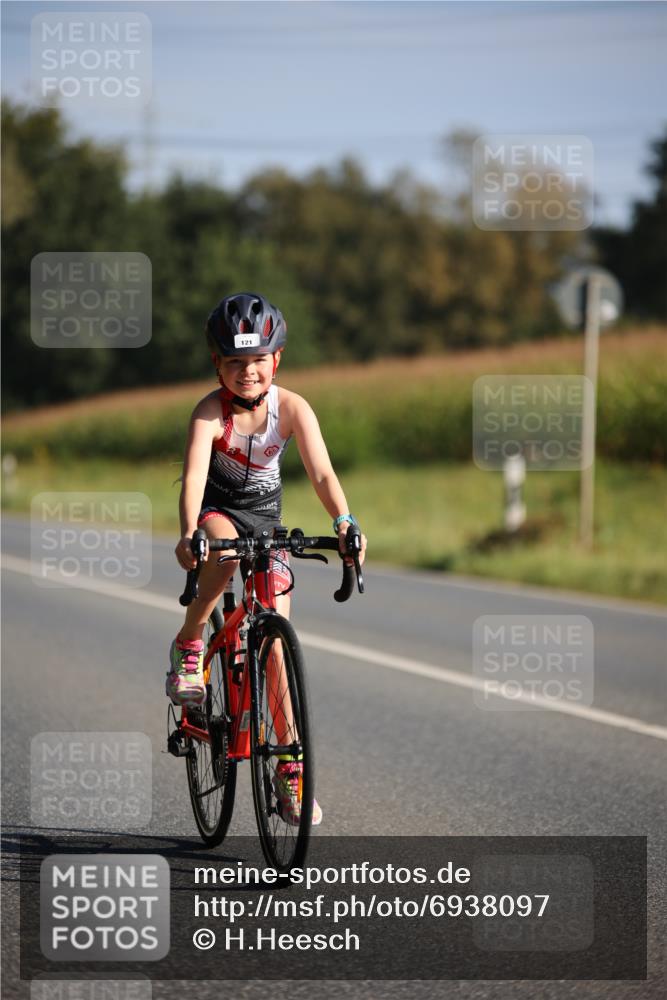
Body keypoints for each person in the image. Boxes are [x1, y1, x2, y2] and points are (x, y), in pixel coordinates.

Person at [166, 291, 366, 826]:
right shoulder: (210, 412)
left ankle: (290, 770)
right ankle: (190, 640)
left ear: (275, 360)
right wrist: (190, 533)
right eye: (234, 362)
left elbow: (323, 474)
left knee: (276, 647)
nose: (247, 372)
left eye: (257, 361)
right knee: (223, 555)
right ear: (217, 364)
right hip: (218, 511)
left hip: (267, 520)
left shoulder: (293, 408)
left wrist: (343, 523)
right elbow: (191, 477)